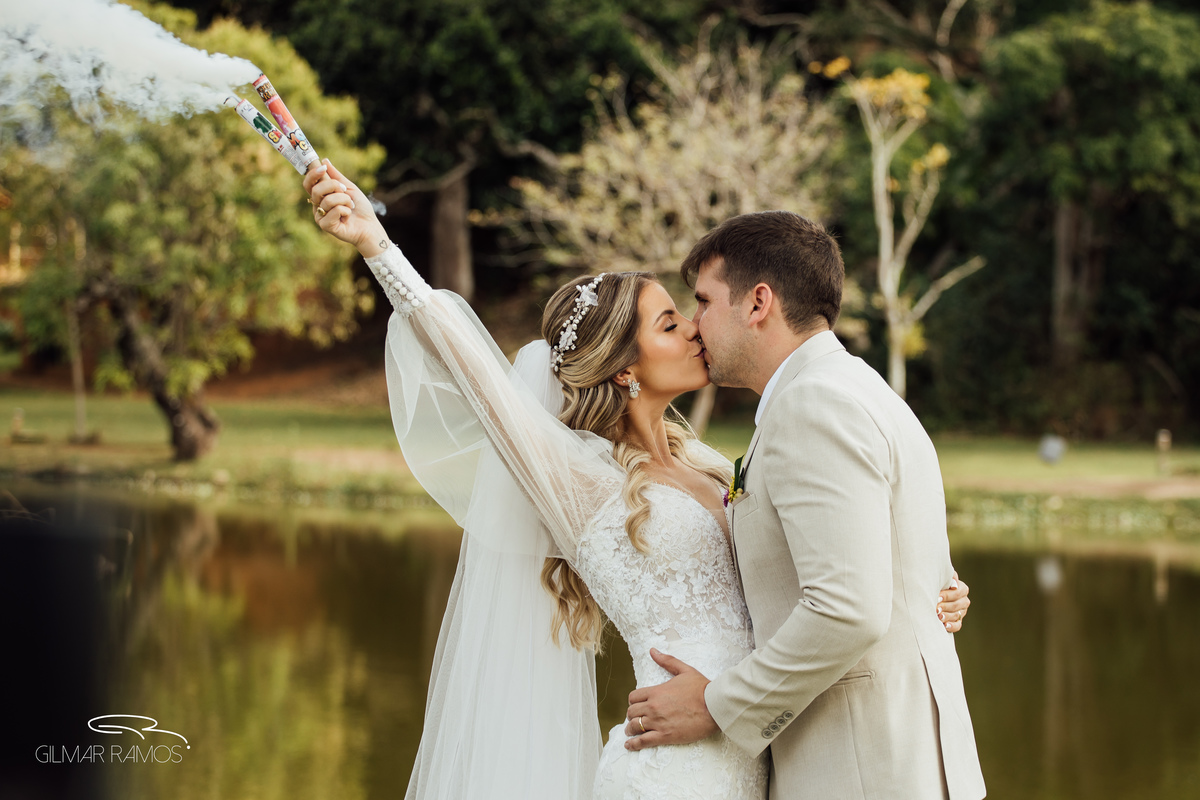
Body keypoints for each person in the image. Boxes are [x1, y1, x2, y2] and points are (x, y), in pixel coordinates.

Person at [302, 161, 972, 799]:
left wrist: (925, 590)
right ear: (624, 367)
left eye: (696, 308)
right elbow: (480, 384)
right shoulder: (585, 482)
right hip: (674, 761)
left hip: (745, 746)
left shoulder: (713, 463)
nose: (695, 327)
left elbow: (835, 561)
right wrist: (378, 246)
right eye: (670, 322)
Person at [621, 211, 987, 799]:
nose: (695, 325)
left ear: (758, 302)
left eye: (704, 302)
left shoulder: (813, 406)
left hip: (865, 768)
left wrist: (717, 705)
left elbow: (848, 609)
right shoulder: (856, 387)